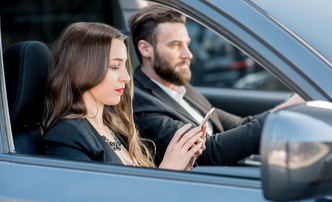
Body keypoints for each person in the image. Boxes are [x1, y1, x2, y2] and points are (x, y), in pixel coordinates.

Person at [128, 4, 304, 166]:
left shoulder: (179, 87)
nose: (188, 54)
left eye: (187, 44)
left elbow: (239, 126)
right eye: (175, 45)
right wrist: (283, 115)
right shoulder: (140, 102)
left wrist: (290, 107)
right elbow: (206, 152)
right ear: (145, 49)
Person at [42, 22, 206, 171]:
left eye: (124, 65)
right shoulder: (67, 136)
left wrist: (182, 166)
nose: (126, 77)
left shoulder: (113, 123)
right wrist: (168, 170)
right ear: (83, 70)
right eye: (115, 66)